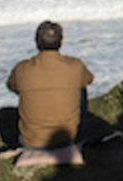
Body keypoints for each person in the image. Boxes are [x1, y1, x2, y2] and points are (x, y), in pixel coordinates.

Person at [7, 20, 94, 150]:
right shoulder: (75, 65)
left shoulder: (21, 68)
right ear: (61, 42)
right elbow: (89, 79)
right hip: (69, 139)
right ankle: (78, 130)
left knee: (25, 87)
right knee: (81, 88)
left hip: (31, 141)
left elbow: (11, 86)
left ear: (37, 42)